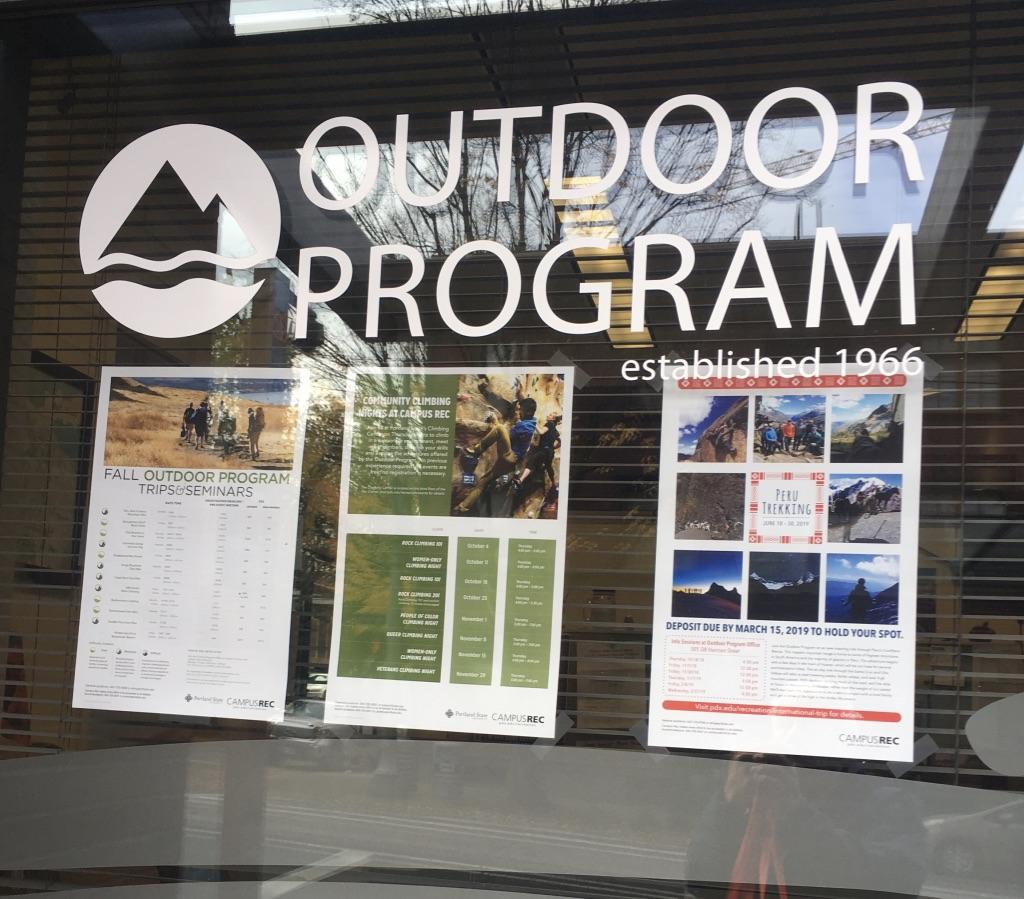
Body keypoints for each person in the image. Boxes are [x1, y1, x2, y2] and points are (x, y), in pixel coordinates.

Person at [456, 396, 538, 514]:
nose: (519, 412)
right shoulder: (531, 423)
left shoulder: (525, 426)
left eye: (521, 410)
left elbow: (505, 435)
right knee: (483, 482)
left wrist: (495, 422)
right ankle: (462, 507)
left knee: (500, 428)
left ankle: (476, 451)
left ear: (528, 412)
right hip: (510, 464)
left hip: (510, 456)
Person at [517, 412, 561, 489]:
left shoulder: (550, 424)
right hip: (550, 452)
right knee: (548, 467)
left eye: (550, 415)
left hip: (544, 450)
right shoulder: (555, 430)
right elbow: (559, 442)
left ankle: (520, 480)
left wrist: (534, 423)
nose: (547, 415)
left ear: (553, 419)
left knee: (532, 461)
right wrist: (553, 447)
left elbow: (541, 432)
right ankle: (553, 484)